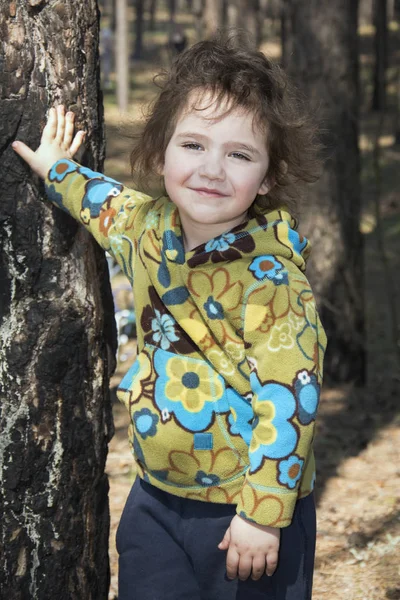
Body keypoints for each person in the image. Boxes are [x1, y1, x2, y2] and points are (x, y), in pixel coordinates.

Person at [13, 32, 327, 600]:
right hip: (155, 500)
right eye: (193, 145)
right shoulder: (148, 229)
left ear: (269, 176)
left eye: (240, 154)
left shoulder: (273, 280)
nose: (213, 169)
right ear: (160, 154)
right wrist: (58, 169)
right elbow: (102, 202)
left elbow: (292, 397)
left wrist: (263, 514)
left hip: (246, 516)